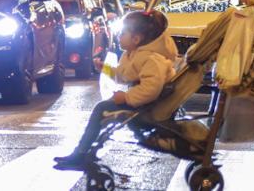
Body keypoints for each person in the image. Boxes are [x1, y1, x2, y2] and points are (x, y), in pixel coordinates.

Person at [54, 10, 176, 168]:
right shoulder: (133, 54)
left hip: (147, 106)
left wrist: (126, 97)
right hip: (140, 102)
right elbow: (122, 75)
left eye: (123, 33)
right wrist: (105, 68)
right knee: (101, 109)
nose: (118, 36)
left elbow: (151, 88)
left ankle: (81, 153)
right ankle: (82, 152)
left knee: (101, 109)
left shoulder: (152, 59)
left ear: (136, 39)